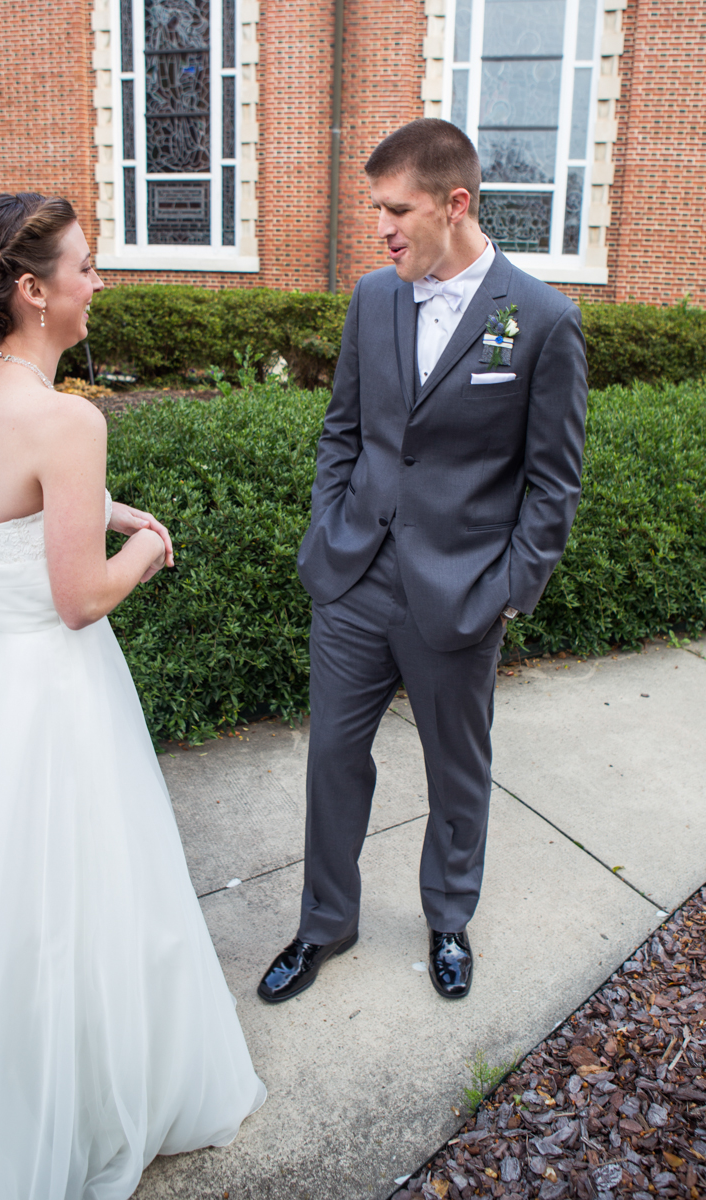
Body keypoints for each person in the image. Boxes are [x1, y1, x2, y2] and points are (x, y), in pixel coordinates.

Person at [0, 194, 265, 1198]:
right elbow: (80, 600)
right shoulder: (69, 418)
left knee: (4, 908)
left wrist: (108, 507)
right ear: (34, 290)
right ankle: (95, 1100)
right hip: (60, 695)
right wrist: (148, 547)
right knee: (92, 896)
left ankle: (7, 1096)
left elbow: (15, 502)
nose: (98, 283)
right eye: (85, 266)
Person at [258, 119, 588, 1005]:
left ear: (455, 204)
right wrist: (329, 529)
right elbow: (343, 431)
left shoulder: (542, 320)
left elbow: (554, 482)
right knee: (334, 758)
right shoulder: (373, 298)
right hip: (354, 578)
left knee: (456, 770)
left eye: (397, 210)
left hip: (460, 594)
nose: (382, 229)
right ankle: (326, 922)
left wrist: (509, 592)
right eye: (376, 209)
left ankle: (448, 916)